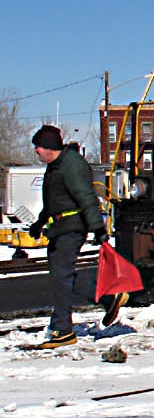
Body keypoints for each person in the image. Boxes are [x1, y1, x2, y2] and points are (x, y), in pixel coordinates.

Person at [26, 125, 128, 348]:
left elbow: (86, 197)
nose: (36, 151)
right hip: (60, 226)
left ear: (49, 147)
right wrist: (39, 224)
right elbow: (54, 202)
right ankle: (107, 297)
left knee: (62, 275)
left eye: (38, 146)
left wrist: (98, 229)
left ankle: (63, 329)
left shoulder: (71, 166)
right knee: (62, 276)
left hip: (71, 227)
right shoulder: (55, 167)